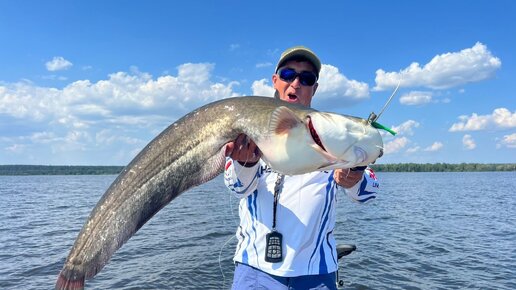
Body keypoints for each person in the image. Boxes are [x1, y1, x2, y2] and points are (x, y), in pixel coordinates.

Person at [224, 46, 380, 290]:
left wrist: (355, 175)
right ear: (275, 81)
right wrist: (246, 162)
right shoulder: (252, 131)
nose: (295, 83)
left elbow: (368, 192)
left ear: (314, 88)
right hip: (254, 269)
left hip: (315, 273)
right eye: (288, 75)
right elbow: (236, 187)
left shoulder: (331, 135)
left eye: (306, 79)